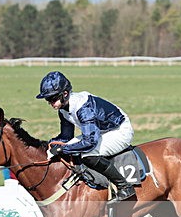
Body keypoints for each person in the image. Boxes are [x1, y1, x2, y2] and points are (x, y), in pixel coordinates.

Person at [36, 71, 136, 201]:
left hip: (120, 130)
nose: (50, 103)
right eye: (48, 100)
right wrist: (50, 145)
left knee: (87, 154)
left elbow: (90, 142)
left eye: (53, 98)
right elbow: (66, 137)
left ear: (65, 94)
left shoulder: (84, 108)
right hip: (101, 131)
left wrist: (62, 149)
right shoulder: (63, 109)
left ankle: (124, 186)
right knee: (68, 147)